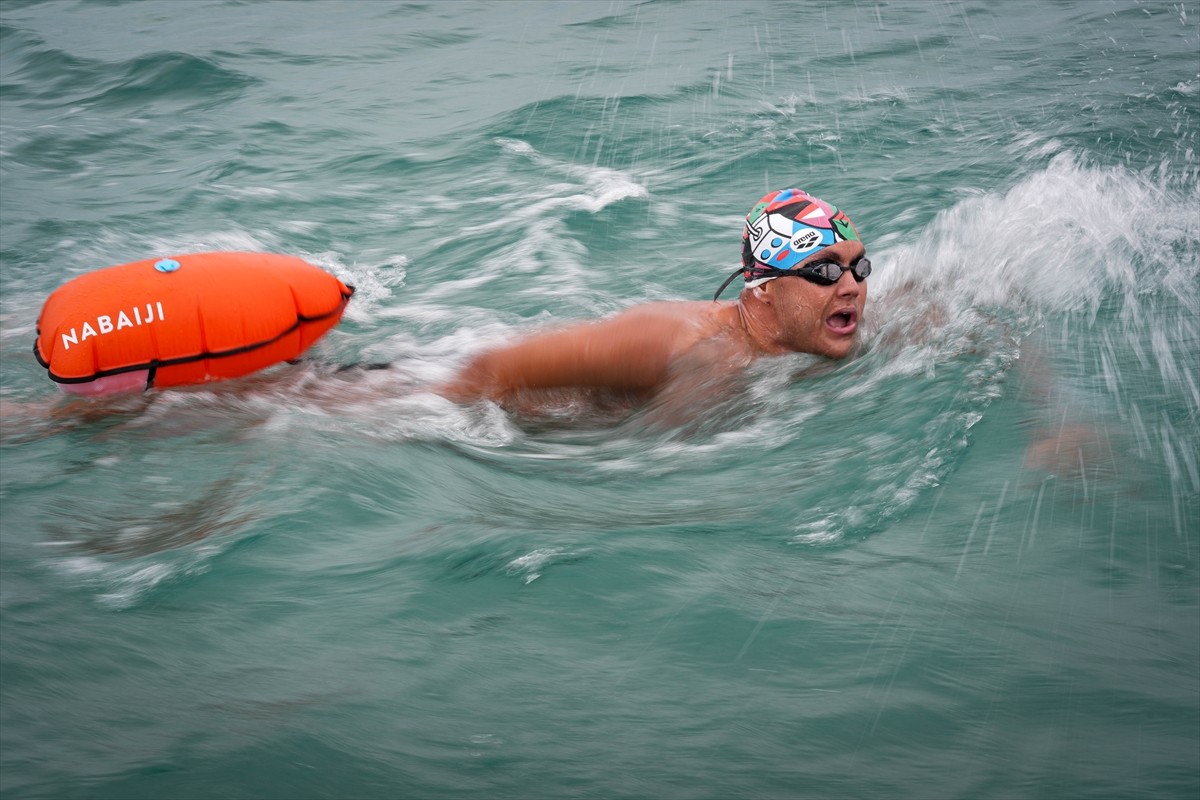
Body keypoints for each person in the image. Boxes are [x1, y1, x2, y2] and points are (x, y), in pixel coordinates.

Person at [437, 188, 871, 417]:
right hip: (447, 412)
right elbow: (487, 371)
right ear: (764, 288)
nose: (851, 286)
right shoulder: (672, 341)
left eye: (859, 267)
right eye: (824, 271)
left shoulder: (801, 343)